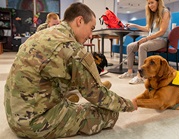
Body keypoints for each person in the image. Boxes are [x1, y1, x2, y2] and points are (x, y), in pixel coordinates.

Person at [4, 3, 137, 138]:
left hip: (12, 115)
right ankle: (67, 103)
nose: (91, 35)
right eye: (91, 28)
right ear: (79, 21)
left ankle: (67, 99)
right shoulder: (73, 49)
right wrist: (129, 104)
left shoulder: (40, 34)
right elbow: (97, 95)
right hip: (34, 124)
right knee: (110, 113)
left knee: (69, 77)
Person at [118, 0, 170, 84]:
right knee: (130, 46)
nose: (150, 5)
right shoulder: (153, 14)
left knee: (142, 46)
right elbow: (148, 28)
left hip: (161, 40)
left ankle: (140, 76)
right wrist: (134, 25)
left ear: (158, 2)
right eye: (148, 3)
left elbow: (162, 31)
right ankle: (130, 72)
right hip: (152, 40)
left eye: (152, 2)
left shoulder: (165, 12)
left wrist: (146, 39)